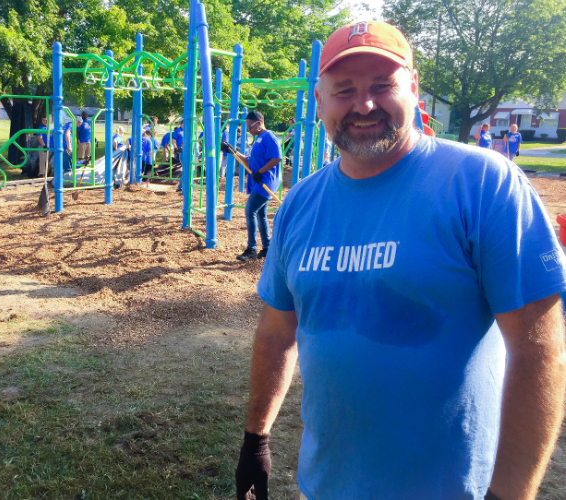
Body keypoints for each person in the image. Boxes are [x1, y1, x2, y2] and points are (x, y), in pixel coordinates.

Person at [234, 21, 566, 500]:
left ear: (414, 90)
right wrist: (256, 438)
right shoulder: (302, 204)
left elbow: (539, 350)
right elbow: (277, 330)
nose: (363, 104)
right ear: (320, 102)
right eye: (344, 89)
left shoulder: (482, 185)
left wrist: (509, 495)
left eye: (382, 85)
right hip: (326, 486)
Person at [226, 110, 282, 262]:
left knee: (250, 210)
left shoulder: (268, 136)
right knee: (260, 213)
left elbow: (276, 158)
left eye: (250, 126)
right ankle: (267, 247)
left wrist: (260, 172)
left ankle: (252, 249)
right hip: (259, 179)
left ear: (259, 123)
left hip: (267, 180)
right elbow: (248, 161)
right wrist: (233, 152)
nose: (249, 130)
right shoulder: (257, 139)